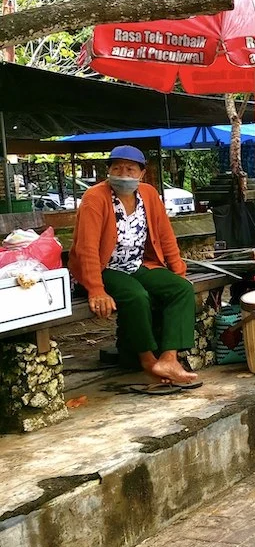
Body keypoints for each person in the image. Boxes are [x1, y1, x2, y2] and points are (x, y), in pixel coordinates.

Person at [68, 145, 198, 385]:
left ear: (141, 173)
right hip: (102, 269)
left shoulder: (148, 194)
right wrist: (96, 289)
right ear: (108, 171)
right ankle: (148, 360)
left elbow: (165, 234)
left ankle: (169, 358)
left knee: (181, 289)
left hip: (136, 264)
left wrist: (178, 270)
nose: (123, 173)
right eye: (116, 168)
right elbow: (86, 247)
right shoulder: (95, 197)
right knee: (137, 296)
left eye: (130, 169)